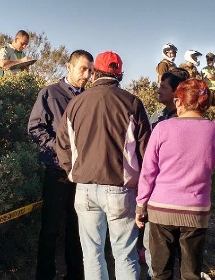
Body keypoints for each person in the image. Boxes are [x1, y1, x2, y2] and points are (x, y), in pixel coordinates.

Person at [56, 51, 151, 280]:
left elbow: (63, 144)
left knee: (92, 254)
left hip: (85, 188)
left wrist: (72, 173)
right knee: (125, 254)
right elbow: (146, 150)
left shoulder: (76, 103)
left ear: (95, 72)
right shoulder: (132, 103)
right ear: (119, 75)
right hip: (121, 188)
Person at [136, 79, 215, 280]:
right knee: (191, 273)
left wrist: (141, 204)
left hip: (162, 208)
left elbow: (149, 170)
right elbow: (214, 161)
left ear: (179, 102)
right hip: (196, 209)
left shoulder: (162, 128)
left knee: (161, 272)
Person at [27, 49, 94, 280]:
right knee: (50, 230)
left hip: (82, 175)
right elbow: (35, 128)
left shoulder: (89, 98)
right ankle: (45, 276)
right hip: (57, 173)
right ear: (69, 66)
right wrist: (59, 153)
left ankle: (75, 275)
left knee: (77, 231)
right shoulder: (49, 94)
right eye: (82, 68)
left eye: (90, 70)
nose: (86, 75)